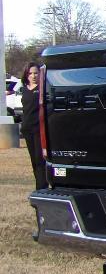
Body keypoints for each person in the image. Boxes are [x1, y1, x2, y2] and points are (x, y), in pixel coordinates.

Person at [20, 62, 46, 190]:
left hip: (39, 129)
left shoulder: (42, 89)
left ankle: (41, 188)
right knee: (34, 161)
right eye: (30, 73)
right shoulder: (24, 89)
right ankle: (39, 185)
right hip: (27, 129)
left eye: (36, 73)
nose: (33, 76)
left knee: (40, 160)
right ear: (26, 75)